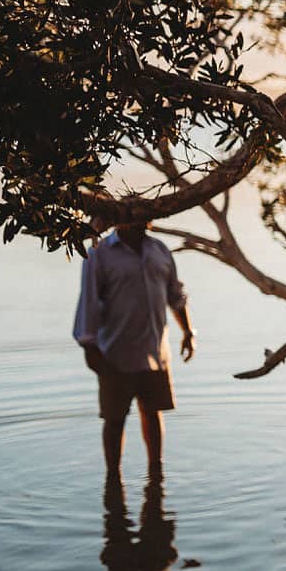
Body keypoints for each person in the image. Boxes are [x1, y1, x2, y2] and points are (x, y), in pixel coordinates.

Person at [73, 195, 195, 490]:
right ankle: (113, 480)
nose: (140, 220)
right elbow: (88, 300)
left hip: (155, 351)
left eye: (144, 214)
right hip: (114, 353)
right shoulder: (100, 253)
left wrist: (188, 332)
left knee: (152, 414)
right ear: (118, 217)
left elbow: (175, 297)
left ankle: (156, 476)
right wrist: (89, 345)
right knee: (114, 420)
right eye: (132, 214)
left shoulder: (160, 250)